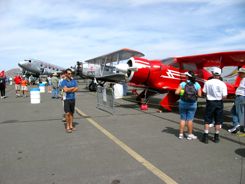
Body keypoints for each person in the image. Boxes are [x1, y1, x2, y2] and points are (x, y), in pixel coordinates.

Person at [202, 67, 227, 144]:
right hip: (219, 102)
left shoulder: (207, 82)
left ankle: (205, 136)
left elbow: (204, 92)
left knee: (207, 120)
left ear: (212, 73)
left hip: (210, 102)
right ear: (219, 74)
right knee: (218, 121)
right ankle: (216, 137)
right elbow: (224, 96)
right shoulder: (222, 83)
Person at [175, 71, 202, 140]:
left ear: (187, 76)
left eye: (185, 75)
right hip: (192, 104)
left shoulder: (183, 84)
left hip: (183, 103)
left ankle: (181, 134)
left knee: (183, 119)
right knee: (190, 120)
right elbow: (199, 95)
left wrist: (182, 93)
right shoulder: (197, 84)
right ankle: (190, 134)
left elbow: (176, 92)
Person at [228, 67, 245, 133]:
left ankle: (239, 126)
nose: (238, 74)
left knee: (238, 112)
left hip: (240, 97)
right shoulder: (242, 79)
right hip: (240, 97)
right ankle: (237, 125)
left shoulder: (244, 79)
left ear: (242, 73)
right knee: (235, 111)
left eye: (239, 73)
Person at [61, 69, 78, 133]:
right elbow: (65, 90)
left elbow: (76, 88)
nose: (70, 74)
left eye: (71, 73)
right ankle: (67, 127)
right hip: (66, 99)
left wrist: (69, 89)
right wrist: (72, 88)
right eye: (68, 73)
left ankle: (71, 126)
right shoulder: (64, 81)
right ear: (66, 74)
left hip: (73, 98)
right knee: (67, 113)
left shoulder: (74, 81)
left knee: (71, 113)